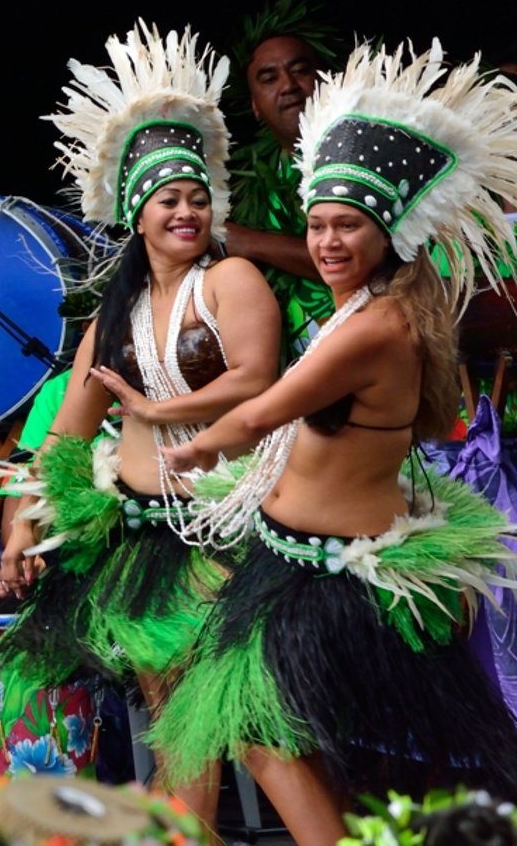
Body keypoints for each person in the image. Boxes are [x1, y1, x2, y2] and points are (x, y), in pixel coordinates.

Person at [154, 41, 517, 843]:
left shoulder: (376, 329)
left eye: (346, 226)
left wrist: (187, 446)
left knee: (253, 720)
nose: (325, 243)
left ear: (387, 233)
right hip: (292, 560)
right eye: (317, 226)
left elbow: (265, 410)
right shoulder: (358, 312)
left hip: (331, 579)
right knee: (261, 727)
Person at [0, 22, 280, 833]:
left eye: (196, 198)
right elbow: (65, 439)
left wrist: (157, 410)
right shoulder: (116, 315)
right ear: (137, 215)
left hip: (224, 532)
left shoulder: (231, 278)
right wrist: (23, 527)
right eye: (168, 200)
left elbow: (259, 379)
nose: (186, 211)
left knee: (225, 712)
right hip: (145, 539)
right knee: (168, 707)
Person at [223, 0, 348, 356]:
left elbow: (366, 260)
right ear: (255, 107)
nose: (288, 85)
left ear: (326, 79)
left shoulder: (360, 163)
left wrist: (249, 242)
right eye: (269, 77)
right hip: (286, 371)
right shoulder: (247, 187)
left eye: (301, 70)